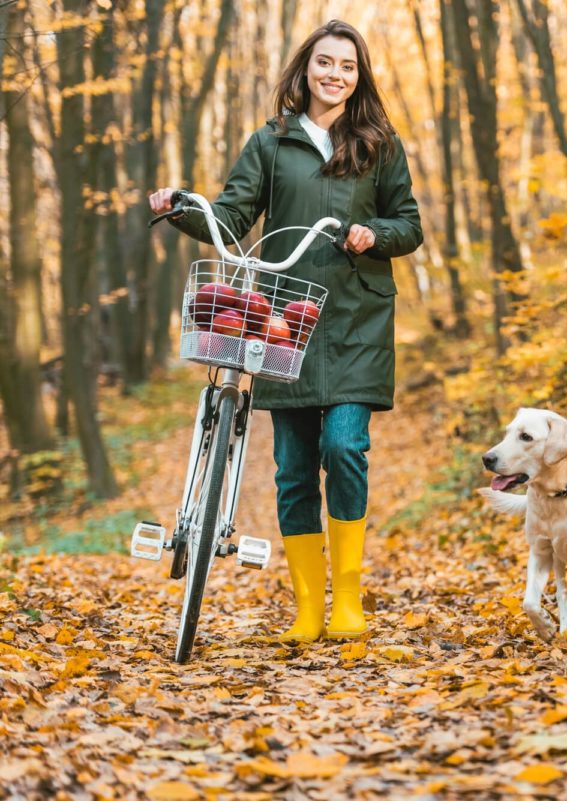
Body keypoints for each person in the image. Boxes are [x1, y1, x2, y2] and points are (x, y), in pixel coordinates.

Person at [149, 20, 423, 644]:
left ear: (359, 76)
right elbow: (232, 216)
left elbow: (408, 223)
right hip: (284, 322)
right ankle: (307, 607)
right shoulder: (270, 144)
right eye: (325, 63)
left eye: (347, 66)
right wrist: (182, 207)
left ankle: (347, 600)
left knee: (345, 448)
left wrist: (373, 234)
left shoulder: (379, 144)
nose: (335, 74)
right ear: (305, 70)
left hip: (357, 319)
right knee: (295, 469)